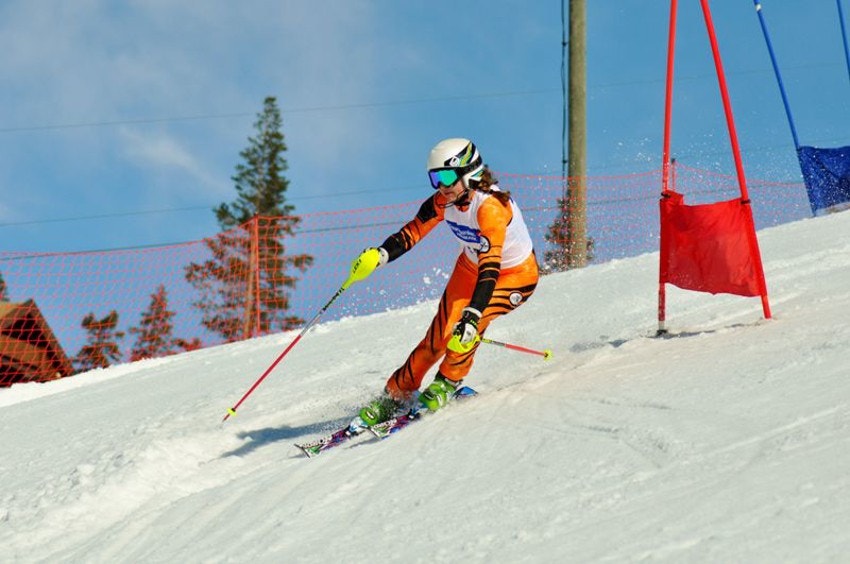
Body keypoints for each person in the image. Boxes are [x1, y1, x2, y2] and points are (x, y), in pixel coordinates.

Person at [351, 138, 539, 425]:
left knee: (468, 326)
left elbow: (491, 267)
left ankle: (447, 382)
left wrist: (473, 313)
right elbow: (413, 232)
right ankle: (396, 394)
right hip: (470, 268)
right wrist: (381, 255)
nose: (441, 186)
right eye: (435, 178)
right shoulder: (444, 201)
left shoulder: (490, 207)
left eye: (447, 177)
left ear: (469, 173)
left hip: (514, 275)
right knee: (438, 337)